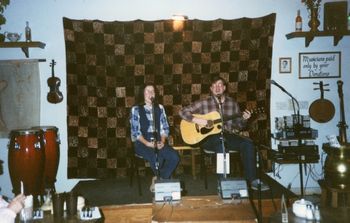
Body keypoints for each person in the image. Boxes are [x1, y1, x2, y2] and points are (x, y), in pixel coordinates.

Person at [179, 76, 269, 191]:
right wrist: (199, 120)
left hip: (228, 135)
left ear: (224, 88)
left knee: (248, 143)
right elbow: (182, 112)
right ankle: (223, 183)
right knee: (221, 144)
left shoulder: (232, 103)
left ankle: (252, 180)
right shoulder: (203, 103)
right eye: (214, 85)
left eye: (220, 85)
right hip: (208, 139)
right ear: (211, 89)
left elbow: (239, 126)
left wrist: (245, 119)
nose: (217, 88)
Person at [130, 83, 180, 190]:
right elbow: (136, 132)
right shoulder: (136, 109)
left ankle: (159, 179)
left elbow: (164, 127)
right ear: (142, 94)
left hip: (157, 141)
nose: (150, 93)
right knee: (157, 158)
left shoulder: (160, 108)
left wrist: (162, 141)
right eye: (147, 91)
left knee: (174, 156)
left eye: (152, 91)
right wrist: (148, 143)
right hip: (142, 142)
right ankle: (163, 182)